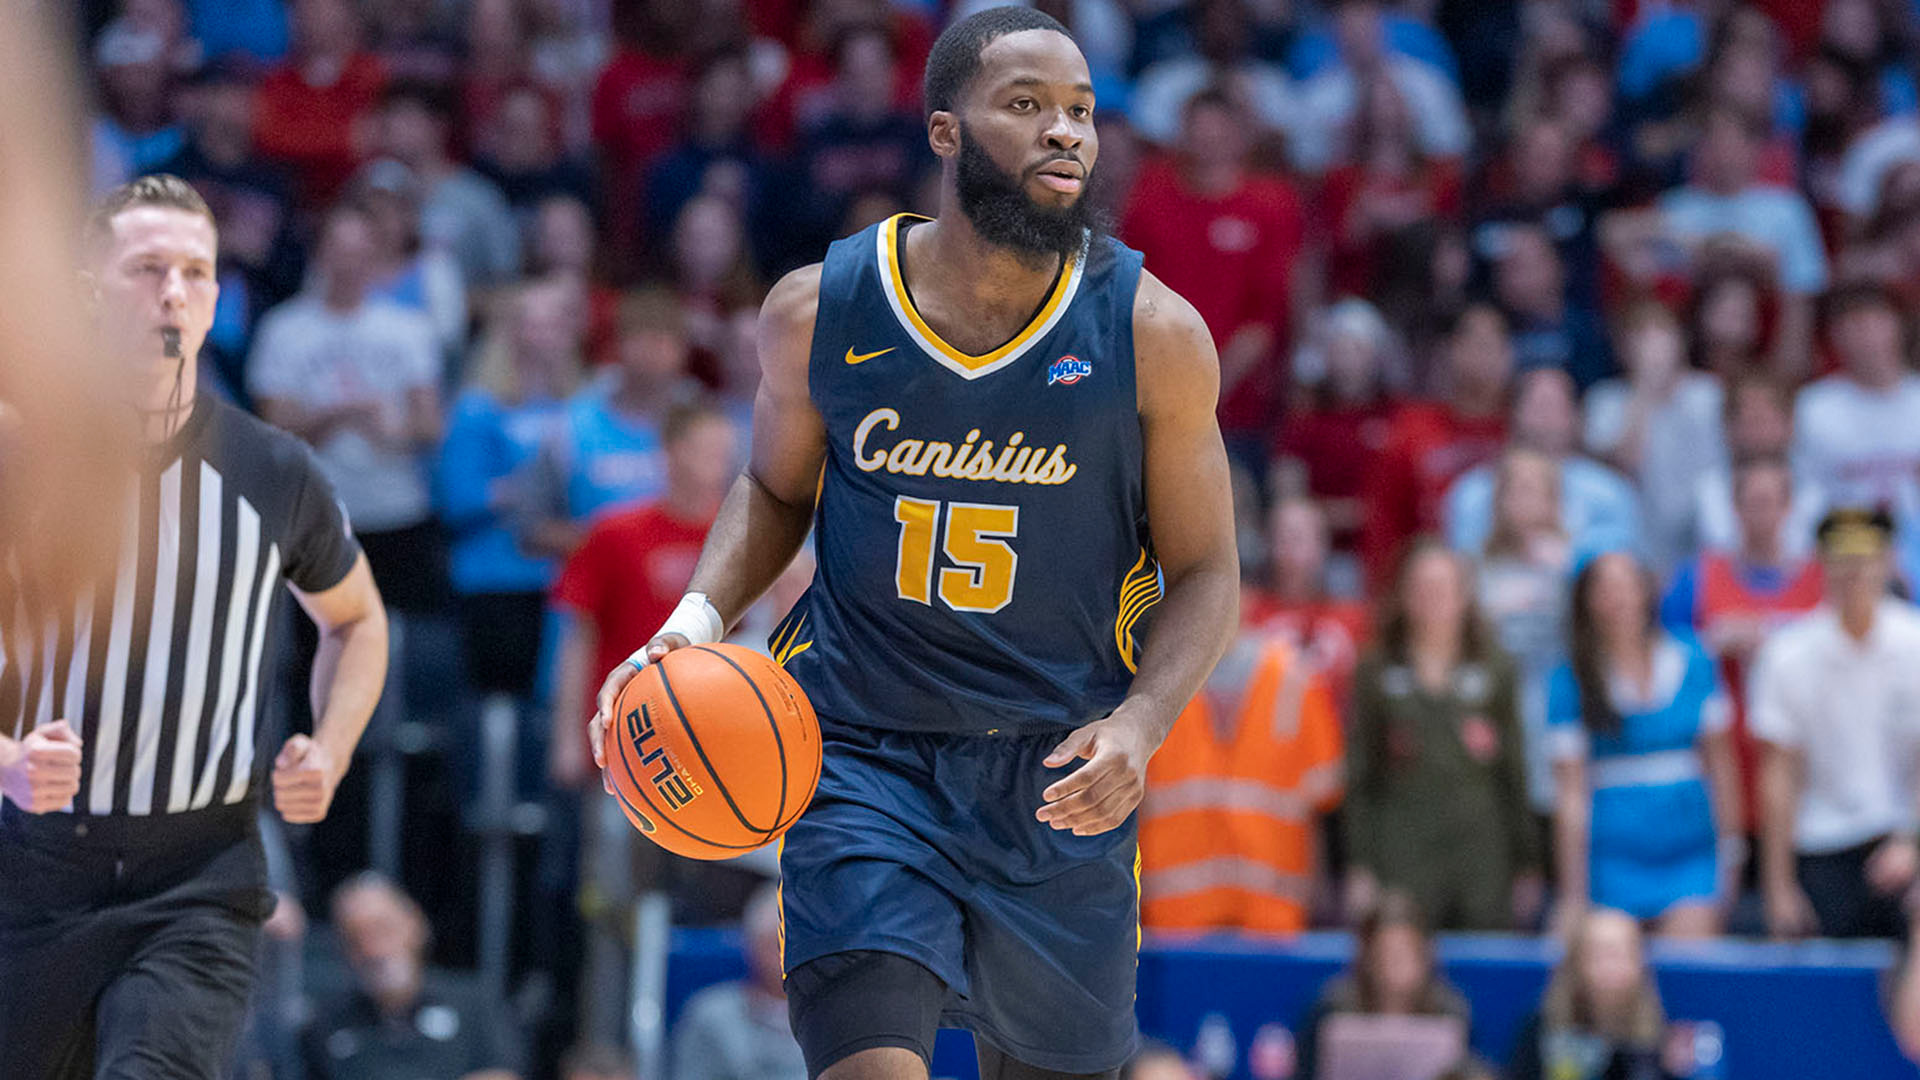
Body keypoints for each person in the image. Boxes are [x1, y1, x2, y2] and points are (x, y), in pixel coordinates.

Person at [587, 9, 1240, 1079]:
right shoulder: (820, 309)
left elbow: (1209, 571)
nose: (1065, 132)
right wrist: (695, 620)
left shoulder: (1150, 334)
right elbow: (771, 485)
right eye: (1026, 106)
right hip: (861, 752)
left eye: (1079, 111)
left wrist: (1144, 720)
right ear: (945, 131)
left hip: (1058, 770)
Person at [0, 174, 388, 1078]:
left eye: (195, 272)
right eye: (146, 269)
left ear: (217, 299)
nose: (172, 291)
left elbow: (358, 622)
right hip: (35, 867)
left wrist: (329, 747)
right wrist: (8, 759)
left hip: (199, 876)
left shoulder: (274, 471)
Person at [248, 201, 447, 618]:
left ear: (374, 257)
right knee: (318, 648)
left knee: (393, 640)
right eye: (339, 252)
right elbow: (272, 427)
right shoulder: (284, 330)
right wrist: (344, 412)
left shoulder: (409, 330)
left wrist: (390, 427)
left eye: (359, 253)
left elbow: (429, 425)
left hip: (397, 511)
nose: (348, 265)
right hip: (315, 514)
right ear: (320, 255)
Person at [1345, 541, 1542, 930]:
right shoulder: (1375, 671)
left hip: (1482, 851)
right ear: (1402, 595)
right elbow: (1359, 775)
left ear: (1464, 596)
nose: (1433, 599)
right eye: (1421, 587)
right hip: (1403, 849)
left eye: (1444, 588)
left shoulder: (1495, 669)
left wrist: (1528, 863)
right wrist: (1359, 863)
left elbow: (1515, 772)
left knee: (1487, 964)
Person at [1547, 552, 1739, 937]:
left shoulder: (1694, 660)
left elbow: (1722, 766)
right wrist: (1572, 896)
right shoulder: (1571, 679)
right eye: (1602, 589)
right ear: (1585, 603)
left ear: (1645, 590)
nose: (1616, 598)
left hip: (1689, 854)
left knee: (1689, 970)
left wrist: (1732, 853)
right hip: (1612, 857)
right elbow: (1570, 796)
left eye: (1625, 584)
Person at [1751, 507, 1920, 939]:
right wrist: (1778, 886)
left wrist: (1912, 842)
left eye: (1864, 564)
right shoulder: (1787, 654)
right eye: (1842, 565)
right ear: (1822, 568)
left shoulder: (1913, 643)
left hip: (1901, 831)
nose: (1854, 577)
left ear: (1885, 564)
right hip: (1821, 842)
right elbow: (1779, 776)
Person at [1140, 632, 1343, 936]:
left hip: (1271, 919)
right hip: (1175, 919)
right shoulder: (1150, 679)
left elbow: (1327, 793)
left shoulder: (1294, 680)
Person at [303, 873, 525, 1080]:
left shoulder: (474, 1003)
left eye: (382, 929)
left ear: (415, 926)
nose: (373, 950)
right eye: (355, 938)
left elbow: (502, 1075)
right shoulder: (325, 1023)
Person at [1474, 448, 1575, 820]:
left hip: (1560, 709)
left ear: (1554, 502)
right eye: (1514, 491)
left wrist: (1567, 572)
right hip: (1500, 711)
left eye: (1533, 490)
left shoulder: (1574, 565)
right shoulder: (1477, 571)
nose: (1523, 501)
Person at [1295, 892, 1471, 1080]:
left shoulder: (1451, 1012)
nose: (1395, 964)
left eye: (1405, 953)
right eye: (1385, 953)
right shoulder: (1331, 1008)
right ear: (1367, 957)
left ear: (1424, 955)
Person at [1508, 908, 1677, 1080]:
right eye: (1601, 954)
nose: (1611, 967)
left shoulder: (1658, 1039)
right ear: (1575, 964)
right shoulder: (1541, 1028)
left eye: (1621, 954)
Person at [670, 883, 809, 1080]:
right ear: (752, 947)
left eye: (798, 946)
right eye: (777, 946)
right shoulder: (712, 1015)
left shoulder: (834, 1014)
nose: (787, 958)